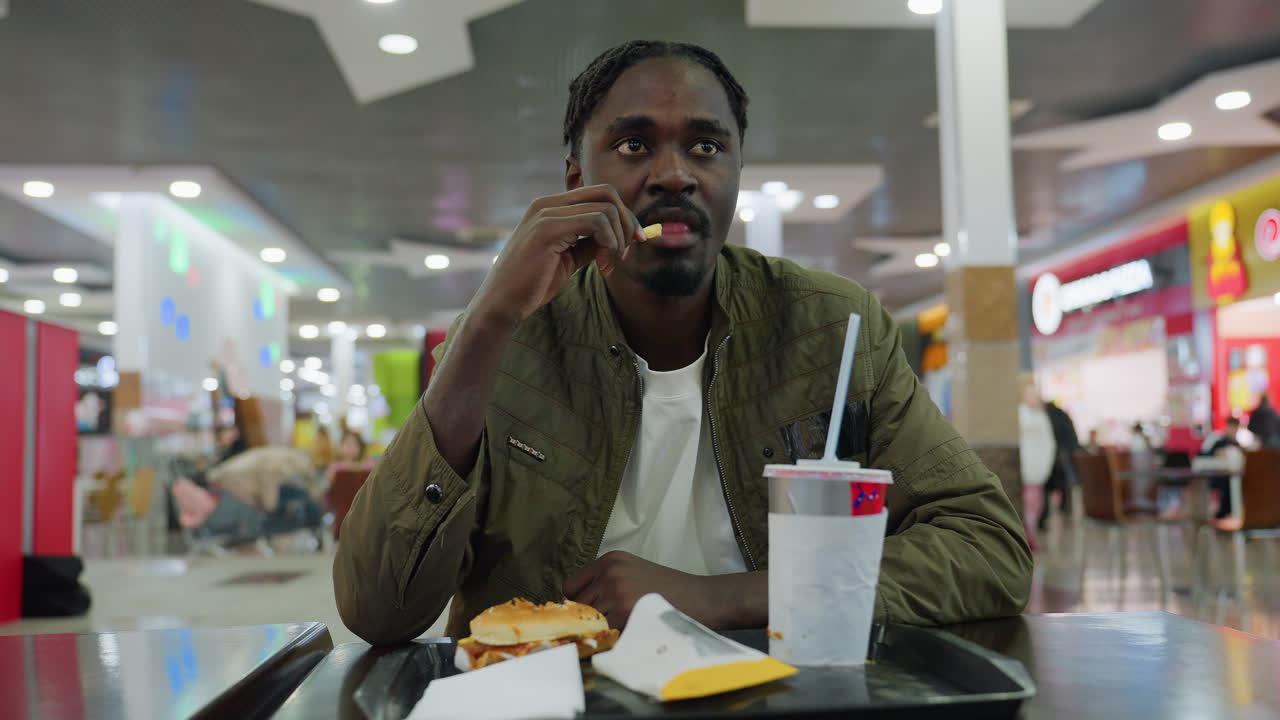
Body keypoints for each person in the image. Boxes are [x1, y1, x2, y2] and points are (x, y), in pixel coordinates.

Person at [334, 40, 1031, 645]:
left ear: (734, 172)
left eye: (706, 145)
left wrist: (725, 597)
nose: (674, 173)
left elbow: (990, 550)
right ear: (576, 177)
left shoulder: (830, 326)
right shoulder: (506, 339)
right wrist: (485, 323)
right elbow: (378, 611)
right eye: (635, 144)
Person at [1018, 379, 1056, 550]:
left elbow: (1049, 442)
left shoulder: (1041, 415)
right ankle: (1029, 534)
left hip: (1039, 467)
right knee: (1029, 500)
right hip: (1028, 467)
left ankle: (1031, 532)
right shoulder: (1022, 413)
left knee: (1036, 500)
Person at [1042, 400, 1079, 529]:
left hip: (1051, 455)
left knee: (1046, 486)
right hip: (1063, 455)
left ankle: (1044, 517)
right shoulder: (1063, 415)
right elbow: (1073, 438)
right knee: (1064, 485)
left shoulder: (1046, 415)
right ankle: (1065, 509)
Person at [1201, 417, 1242, 519]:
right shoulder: (1218, 442)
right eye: (1231, 427)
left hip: (1232, 477)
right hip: (1219, 477)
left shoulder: (1237, 445)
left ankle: (1230, 513)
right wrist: (1216, 453)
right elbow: (1203, 456)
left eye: (1234, 428)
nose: (1232, 430)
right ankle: (1224, 513)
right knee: (1226, 483)